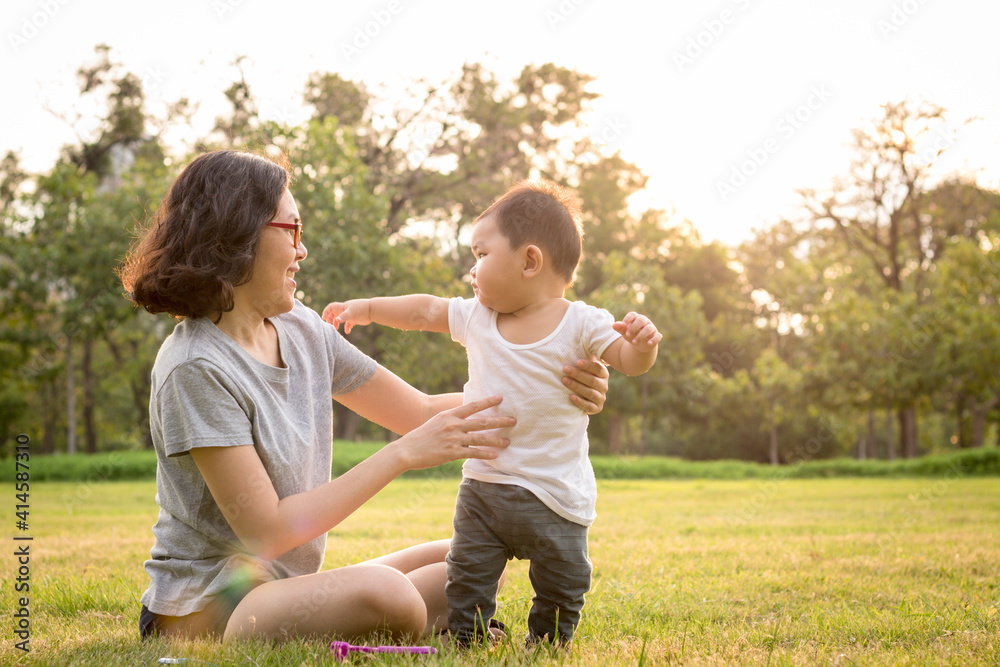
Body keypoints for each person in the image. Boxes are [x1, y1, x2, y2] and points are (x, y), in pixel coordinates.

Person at [116, 150, 611, 643]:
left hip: (291, 587)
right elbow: (266, 533)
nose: (302, 250)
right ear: (237, 233)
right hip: (209, 609)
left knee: (466, 561)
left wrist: (549, 392)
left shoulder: (301, 328)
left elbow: (415, 411)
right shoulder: (196, 366)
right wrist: (401, 456)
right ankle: (382, 619)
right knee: (391, 595)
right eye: (292, 231)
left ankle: (372, 615)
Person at [323, 179, 662, 647]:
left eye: (481, 255)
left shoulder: (583, 322)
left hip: (556, 495)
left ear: (529, 260)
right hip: (485, 487)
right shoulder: (477, 318)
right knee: (467, 571)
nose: (472, 269)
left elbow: (626, 360)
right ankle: (468, 635)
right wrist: (368, 308)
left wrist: (642, 346)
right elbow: (424, 310)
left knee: (564, 580)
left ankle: (548, 639)